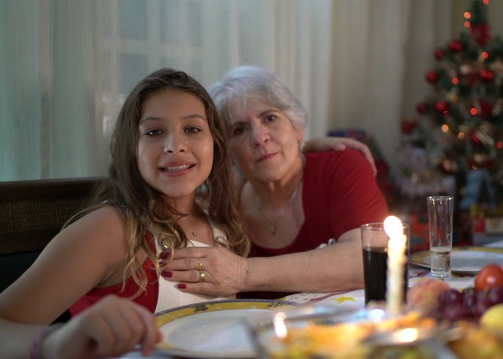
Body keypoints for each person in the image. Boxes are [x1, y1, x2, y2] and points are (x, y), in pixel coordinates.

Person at [0, 68, 249, 359]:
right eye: (154, 132)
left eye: (192, 129)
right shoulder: (112, 229)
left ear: (214, 143)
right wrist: (53, 341)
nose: (175, 146)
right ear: (132, 149)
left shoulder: (222, 220)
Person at [162, 65, 390, 299]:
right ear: (226, 151)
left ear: (297, 127)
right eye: (239, 130)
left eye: (270, 118)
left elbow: (367, 261)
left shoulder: (341, 167)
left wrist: (243, 273)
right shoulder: (222, 205)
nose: (259, 138)